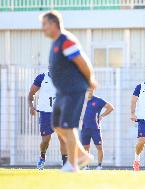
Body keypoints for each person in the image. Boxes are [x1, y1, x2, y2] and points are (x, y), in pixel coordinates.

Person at [40, 10, 97, 172]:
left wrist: (91, 80)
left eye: (44, 24)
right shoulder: (56, 42)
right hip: (62, 92)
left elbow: (83, 62)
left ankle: (72, 165)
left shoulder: (66, 41)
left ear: (53, 24)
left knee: (68, 125)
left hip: (73, 90)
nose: (42, 28)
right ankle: (81, 155)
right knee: (57, 125)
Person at [28, 71, 67, 170]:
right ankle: (42, 156)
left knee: (62, 138)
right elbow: (31, 93)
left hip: (59, 113)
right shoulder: (42, 77)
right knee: (45, 141)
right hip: (45, 113)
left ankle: (65, 164)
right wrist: (31, 107)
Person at [81, 96, 114, 170]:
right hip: (85, 128)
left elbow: (111, 107)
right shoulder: (81, 99)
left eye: (90, 89)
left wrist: (102, 115)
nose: (89, 91)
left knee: (99, 147)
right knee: (85, 147)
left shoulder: (98, 100)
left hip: (95, 128)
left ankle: (99, 166)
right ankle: (86, 166)